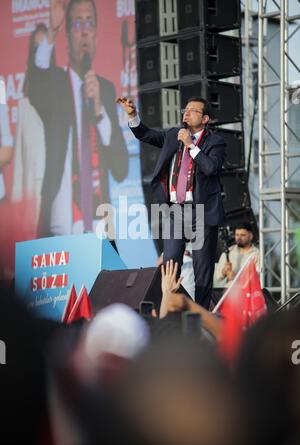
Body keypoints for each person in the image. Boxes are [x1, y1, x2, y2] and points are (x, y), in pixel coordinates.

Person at [30, 0, 128, 237]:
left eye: (90, 23)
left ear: (96, 34)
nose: (84, 30)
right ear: (66, 37)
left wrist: (99, 112)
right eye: (76, 23)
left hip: (98, 219)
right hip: (60, 217)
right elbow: (36, 79)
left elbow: (121, 168)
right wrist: (51, 30)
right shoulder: (54, 82)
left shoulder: (105, 89)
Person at [117, 96, 226, 308]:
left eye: (193, 110)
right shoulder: (172, 135)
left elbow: (211, 168)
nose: (186, 113)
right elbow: (146, 134)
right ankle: (169, 309)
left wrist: (191, 146)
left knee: (201, 268)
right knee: (170, 264)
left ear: (205, 119)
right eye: (185, 109)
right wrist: (132, 115)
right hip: (176, 211)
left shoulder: (216, 142)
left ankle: (201, 316)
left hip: (201, 212)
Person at [12, 24, 55, 238]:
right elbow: (19, 167)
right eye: (37, 46)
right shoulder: (24, 107)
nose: (42, 52)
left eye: (45, 46)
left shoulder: (62, 97)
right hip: (33, 206)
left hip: (58, 202)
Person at [215, 223, 259, 288]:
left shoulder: (256, 254)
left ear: (250, 236)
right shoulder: (228, 252)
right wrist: (224, 271)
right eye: (237, 235)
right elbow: (218, 276)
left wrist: (237, 278)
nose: (239, 238)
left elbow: (258, 276)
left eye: (242, 235)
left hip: (248, 293)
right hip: (229, 293)